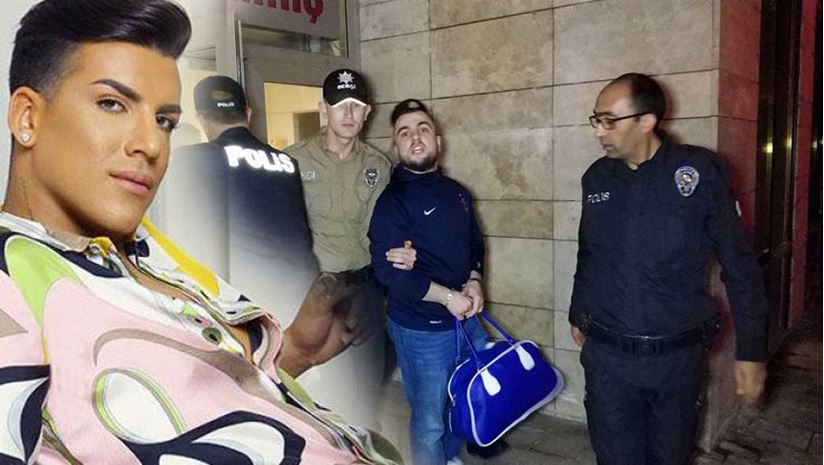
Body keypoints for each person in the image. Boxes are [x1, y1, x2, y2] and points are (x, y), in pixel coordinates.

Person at [0, 1, 401, 463]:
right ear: (28, 117)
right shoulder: (14, 284)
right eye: (112, 104)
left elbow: (205, 399)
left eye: (164, 121)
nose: (151, 143)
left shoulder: (149, 248)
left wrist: (295, 351)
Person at [569, 72, 769, 465]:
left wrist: (751, 350)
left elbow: (740, 265)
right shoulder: (596, 178)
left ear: (646, 121)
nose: (599, 132)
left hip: (676, 360)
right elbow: (588, 254)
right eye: (597, 120)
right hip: (609, 358)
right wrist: (578, 312)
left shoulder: (698, 171)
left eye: (609, 121)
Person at [369, 99, 488, 465]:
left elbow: (474, 243)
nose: (415, 137)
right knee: (430, 421)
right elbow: (388, 272)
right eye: (404, 133)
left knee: (464, 399)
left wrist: (474, 280)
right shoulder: (393, 202)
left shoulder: (457, 192)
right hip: (421, 331)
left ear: (438, 140)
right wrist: (448, 297)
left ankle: (447, 458)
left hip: (466, 321)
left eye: (423, 129)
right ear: (396, 146)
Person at [284, 68, 396, 427]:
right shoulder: (291, 161)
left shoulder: (379, 167)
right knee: (308, 396)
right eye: (340, 104)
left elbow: (383, 233)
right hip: (312, 293)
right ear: (323, 110)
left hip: (364, 291)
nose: (348, 113)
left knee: (364, 395)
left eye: (356, 106)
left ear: (367, 112)